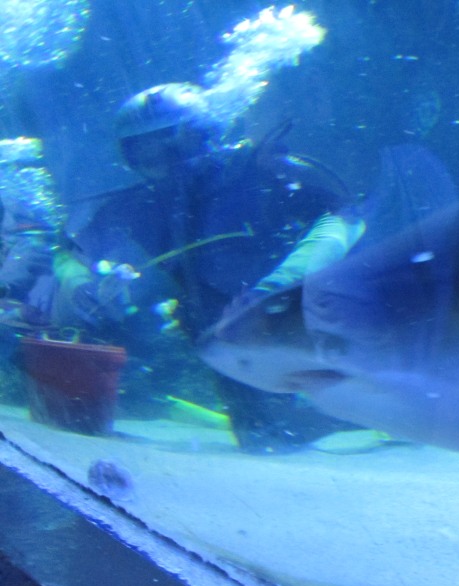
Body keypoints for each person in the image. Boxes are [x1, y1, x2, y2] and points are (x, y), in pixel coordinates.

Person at [56, 82, 367, 451]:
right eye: (143, 151)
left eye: (171, 145)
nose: (161, 162)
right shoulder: (139, 204)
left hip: (298, 320)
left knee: (341, 410)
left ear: (203, 134)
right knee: (262, 436)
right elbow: (71, 251)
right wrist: (78, 283)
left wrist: (281, 284)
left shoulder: (260, 172)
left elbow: (343, 219)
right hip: (223, 338)